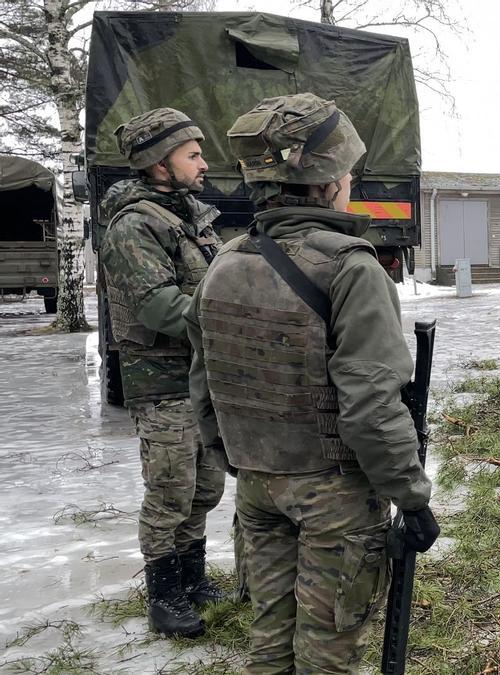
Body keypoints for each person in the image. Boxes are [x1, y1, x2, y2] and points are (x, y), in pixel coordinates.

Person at [186, 93, 438, 671]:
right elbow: (372, 404)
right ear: (328, 182)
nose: (350, 181)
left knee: (269, 639)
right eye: (347, 172)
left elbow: (204, 379)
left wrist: (233, 455)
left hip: (256, 482)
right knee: (328, 649)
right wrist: (412, 495)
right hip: (333, 492)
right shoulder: (352, 267)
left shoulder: (225, 261)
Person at [98, 107, 225, 638]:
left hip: (199, 377)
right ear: (158, 163)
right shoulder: (134, 225)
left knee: (205, 485)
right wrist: (232, 314)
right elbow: (160, 308)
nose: (203, 162)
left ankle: (193, 578)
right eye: (192, 154)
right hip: (163, 380)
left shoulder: (190, 215)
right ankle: (164, 594)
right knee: (171, 488)